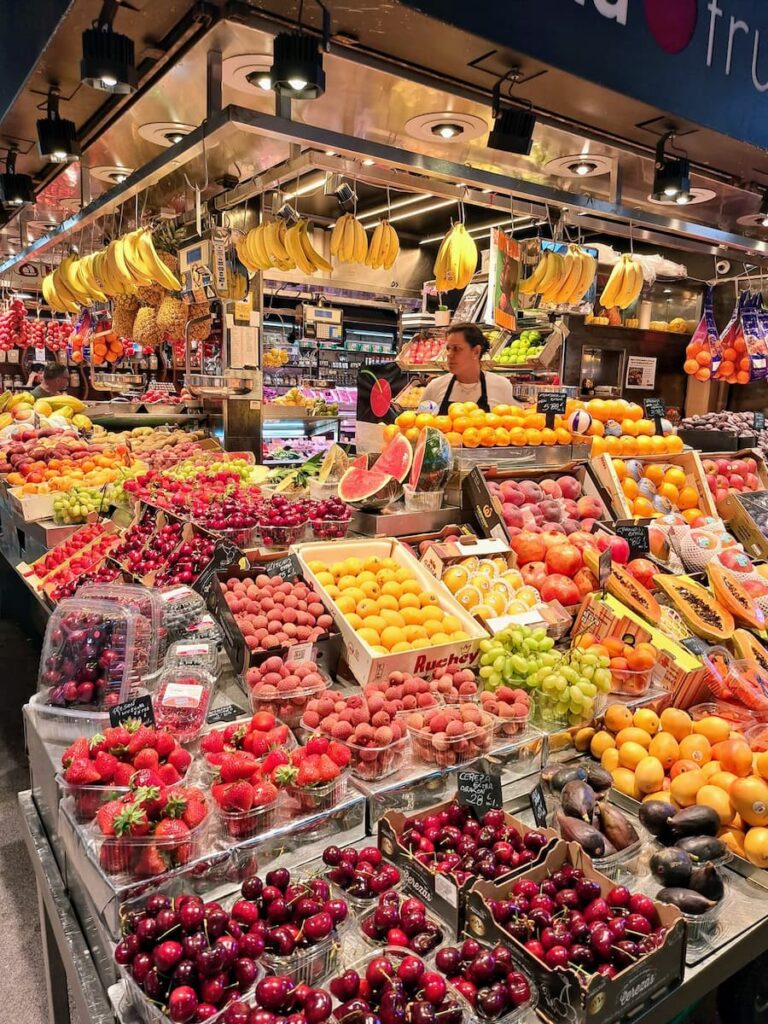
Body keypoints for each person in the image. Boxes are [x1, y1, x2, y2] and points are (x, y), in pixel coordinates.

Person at [420, 323, 517, 413]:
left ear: (476, 352)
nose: (449, 355)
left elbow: (516, 426)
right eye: (448, 348)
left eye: (457, 349)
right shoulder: (434, 388)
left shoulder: (502, 386)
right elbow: (420, 425)